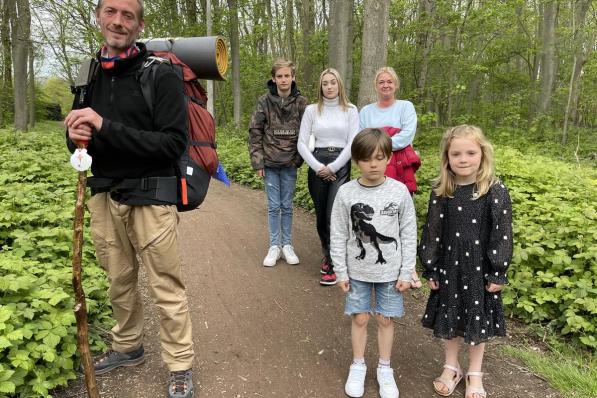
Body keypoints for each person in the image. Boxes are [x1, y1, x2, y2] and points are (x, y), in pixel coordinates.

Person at [64, 1, 194, 397]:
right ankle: (128, 345)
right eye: (111, 12)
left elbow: (172, 144)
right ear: (98, 17)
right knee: (118, 280)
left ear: (140, 25)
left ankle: (180, 363)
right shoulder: (89, 76)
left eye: (128, 15)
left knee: (165, 285)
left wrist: (103, 126)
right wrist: (75, 137)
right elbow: (77, 145)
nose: (118, 21)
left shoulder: (162, 75)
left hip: (151, 197)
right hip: (104, 196)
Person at [419, 125, 513, 398]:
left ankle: (474, 372)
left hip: (478, 269)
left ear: (482, 154)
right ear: (447, 157)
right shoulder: (441, 190)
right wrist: (431, 264)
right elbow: (432, 229)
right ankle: (451, 367)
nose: (463, 159)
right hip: (449, 265)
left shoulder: (494, 190)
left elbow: (502, 232)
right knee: (449, 317)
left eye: (470, 152)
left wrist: (498, 271)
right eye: (456, 153)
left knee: (476, 319)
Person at [330, 129, 417, 398]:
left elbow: (408, 231)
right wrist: (340, 270)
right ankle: (358, 365)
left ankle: (384, 368)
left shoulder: (399, 191)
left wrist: (406, 270)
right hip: (357, 272)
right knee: (360, 317)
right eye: (367, 159)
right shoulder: (346, 193)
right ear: (356, 161)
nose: (374, 164)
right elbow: (338, 233)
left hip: (391, 272)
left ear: (389, 158)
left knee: (385, 319)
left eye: (380, 158)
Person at [359, 66, 422, 288]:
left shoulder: (406, 107)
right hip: (375, 167)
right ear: (376, 85)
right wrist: (381, 147)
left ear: (395, 84)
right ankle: (382, 259)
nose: (386, 85)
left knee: (403, 217)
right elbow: (362, 138)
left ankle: (409, 267)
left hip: (401, 167)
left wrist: (379, 144)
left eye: (389, 81)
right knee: (379, 216)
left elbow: (406, 136)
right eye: (381, 82)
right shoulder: (366, 111)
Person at [297, 68, 359, 286]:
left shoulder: (350, 110)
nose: (329, 86)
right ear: (320, 86)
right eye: (325, 83)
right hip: (317, 165)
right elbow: (302, 143)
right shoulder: (312, 110)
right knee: (321, 216)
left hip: (340, 165)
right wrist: (318, 167)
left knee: (334, 214)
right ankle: (326, 252)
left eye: (333, 82)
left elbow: (353, 143)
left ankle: (333, 263)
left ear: (339, 85)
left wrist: (333, 167)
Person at [249, 58, 308, 267]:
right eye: (280, 76)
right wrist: (258, 163)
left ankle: (287, 245)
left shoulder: (302, 103)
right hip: (270, 165)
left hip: (290, 164)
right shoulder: (264, 102)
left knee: (287, 206)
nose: (284, 80)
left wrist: (299, 160)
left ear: (293, 78)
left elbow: (308, 133)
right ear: (274, 79)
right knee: (274, 207)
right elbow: (255, 132)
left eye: (287, 76)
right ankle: (275, 246)